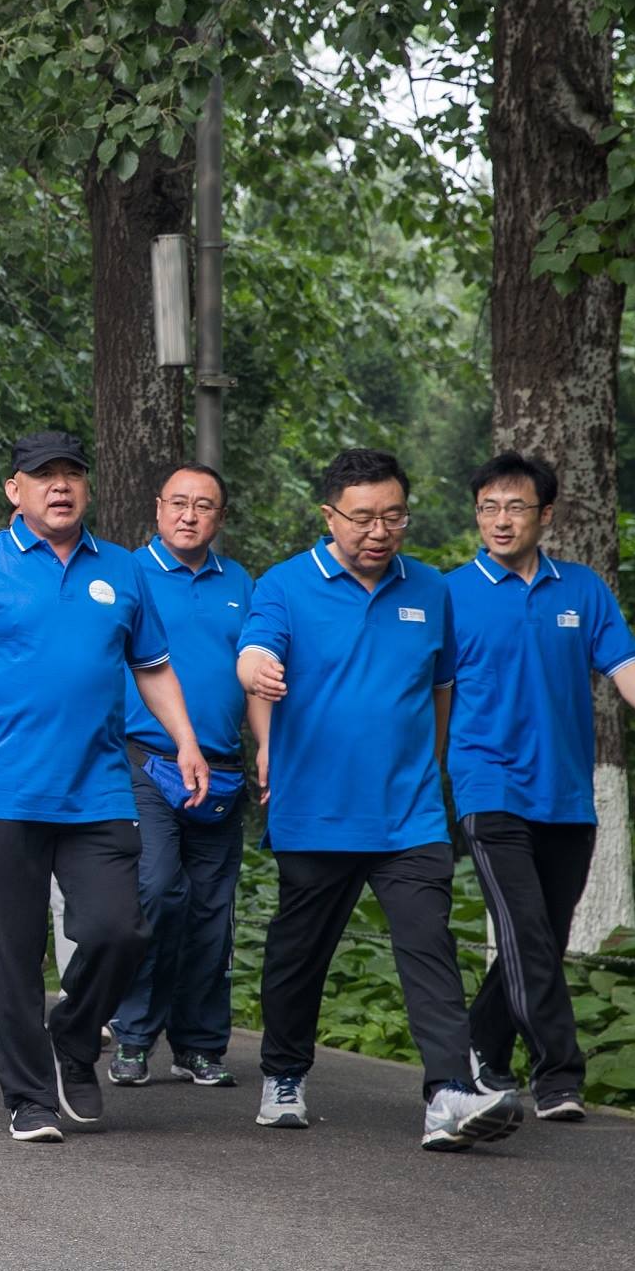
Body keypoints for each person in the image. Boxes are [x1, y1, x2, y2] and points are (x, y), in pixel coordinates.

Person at [0, 433, 204, 1144]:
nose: (59, 486)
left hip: (98, 789)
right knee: (13, 949)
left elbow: (151, 666)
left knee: (121, 926)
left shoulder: (122, 570)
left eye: (71, 475)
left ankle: (73, 1032)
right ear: (15, 490)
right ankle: (28, 1096)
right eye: (43, 476)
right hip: (3, 790)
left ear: (86, 488)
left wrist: (183, 738)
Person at [236, 447, 526, 1150]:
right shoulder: (285, 585)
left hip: (410, 812)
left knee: (428, 943)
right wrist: (256, 668)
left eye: (393, 515)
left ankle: (447, 1092)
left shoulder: (430, 588)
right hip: (316, 811)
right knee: (300, 953)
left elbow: (441, 684)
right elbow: (252, 651)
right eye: (363, 517)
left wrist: (428, 764)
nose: (379, 530)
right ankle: (283, 1072)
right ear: (329, 514)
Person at [446, 450, 635, 1123]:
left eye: (515, 506)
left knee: (541, 934)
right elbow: (425, 690)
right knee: (523, 927)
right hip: (488, 783)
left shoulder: (582, 588)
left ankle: (478, 1047)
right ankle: (558, 1073)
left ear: (545, 514)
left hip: (567, 792)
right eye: (488, 506)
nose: (500, 518)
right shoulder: (450, 593)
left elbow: (624, 660)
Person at [106, 463, 255, 1091]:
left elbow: (257, 676)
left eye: (204, 506)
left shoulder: (241, 583)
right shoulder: (125, 573)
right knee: (159, 893)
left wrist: (269, 750)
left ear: (219, 518)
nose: (190, 516)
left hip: (222, 770)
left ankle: (198, 1045)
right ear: (158, 509)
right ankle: (134, 1036)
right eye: (179, 504)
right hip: (145, 762)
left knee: (211, 914)